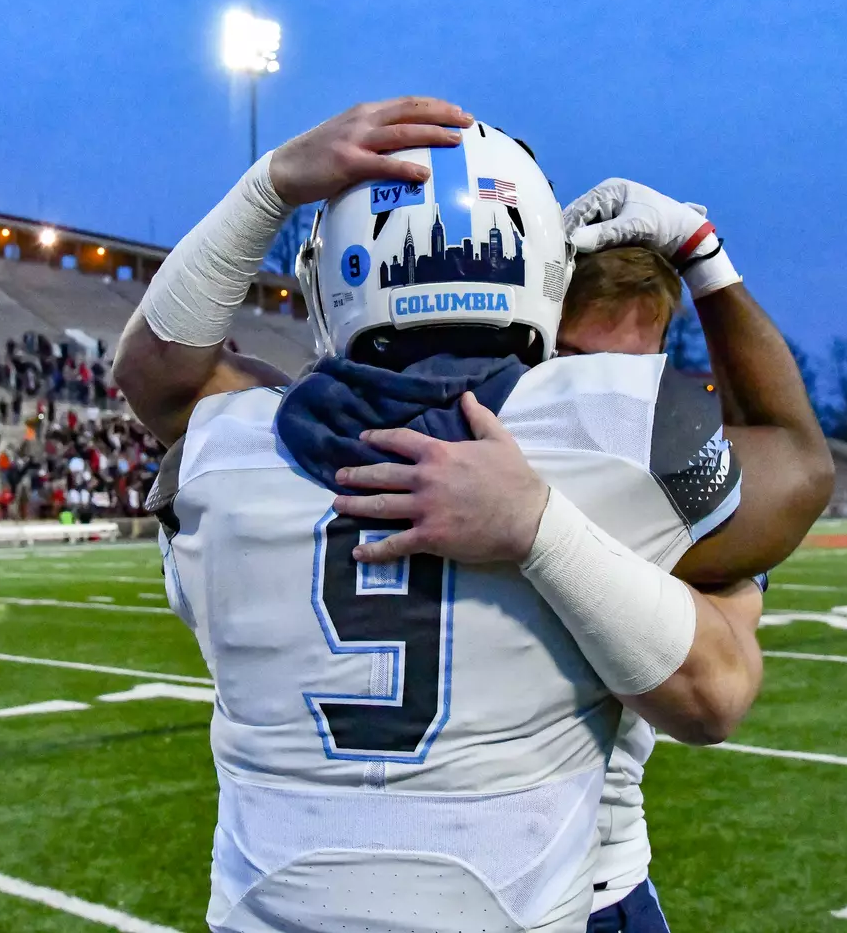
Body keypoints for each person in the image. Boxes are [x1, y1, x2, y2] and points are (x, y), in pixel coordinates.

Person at [116, 98, 767, 932]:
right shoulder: (625, 441)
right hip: (555, 895)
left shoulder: (234, 449)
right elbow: (721, 683)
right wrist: (702, 254)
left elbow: (154, 372)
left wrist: (269, 185)